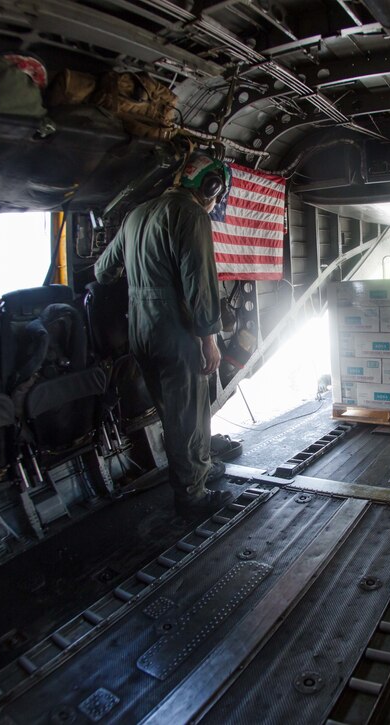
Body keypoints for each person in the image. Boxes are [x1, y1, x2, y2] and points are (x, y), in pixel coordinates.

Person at [95, 151, 234, 517]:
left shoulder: (136, 214)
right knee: (187, 417)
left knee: (173, 413)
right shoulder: (190, 215)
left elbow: (102, 271)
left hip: (141, 330)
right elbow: (199, 282)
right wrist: (209, 339)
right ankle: (192, 496)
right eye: (217, 194)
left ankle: (198, 469)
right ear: (209, 186)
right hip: (177, 332)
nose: (215, 201)